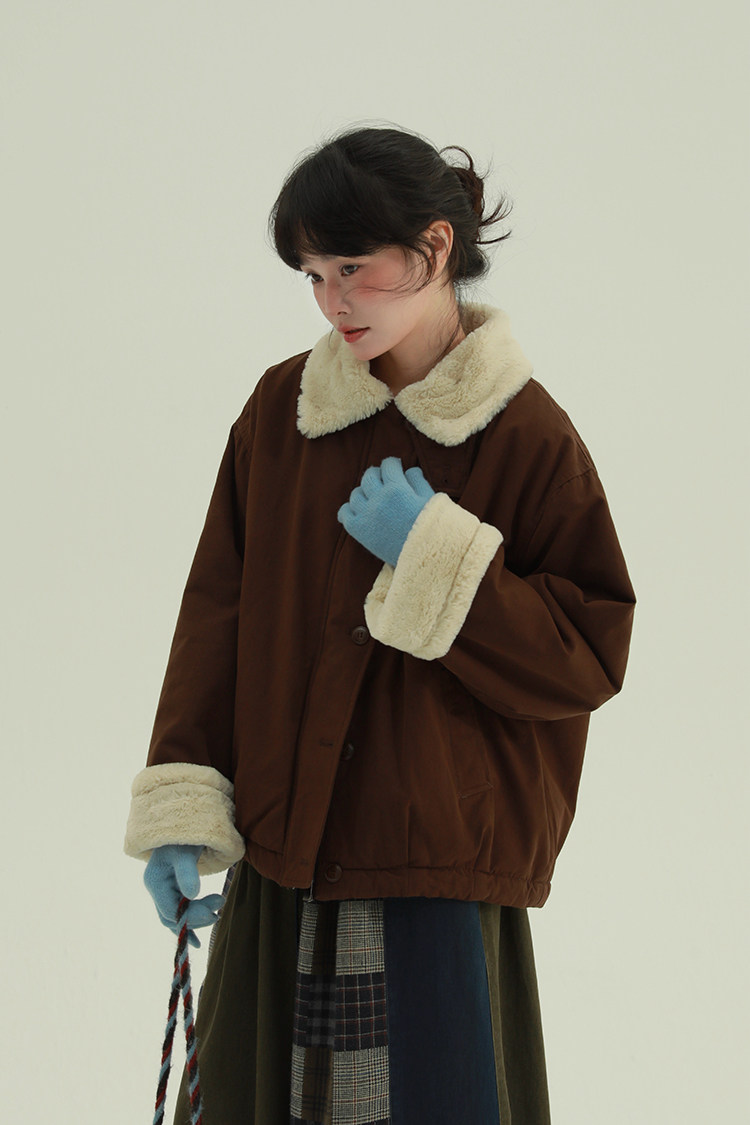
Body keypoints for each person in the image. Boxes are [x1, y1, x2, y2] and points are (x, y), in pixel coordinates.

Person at [124, 123, 636, 1125]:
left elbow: (586, 655)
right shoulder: (282, 411)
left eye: (353, 268)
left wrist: (437, 553)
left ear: (436, 247)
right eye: (313, 276)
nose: (332, 302)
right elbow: (217, 615)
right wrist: (184, 808)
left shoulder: (526, 434)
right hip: (283, 855)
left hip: (432, 869)